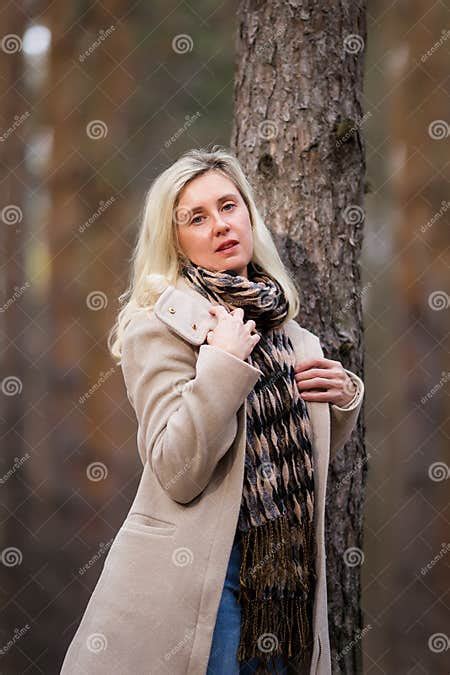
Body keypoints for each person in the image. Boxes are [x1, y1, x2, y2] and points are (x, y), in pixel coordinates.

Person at [60, 145, 364, 675]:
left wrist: (341, 401)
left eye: (228, 206)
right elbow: (177, 469)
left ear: (249, 214)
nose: (220, 225)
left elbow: (290, 460)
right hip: (204, 573)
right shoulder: (158, 329)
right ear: (175, 241)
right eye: (196, 218)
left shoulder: (292, 333)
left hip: (286, 579)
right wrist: (221, 364)